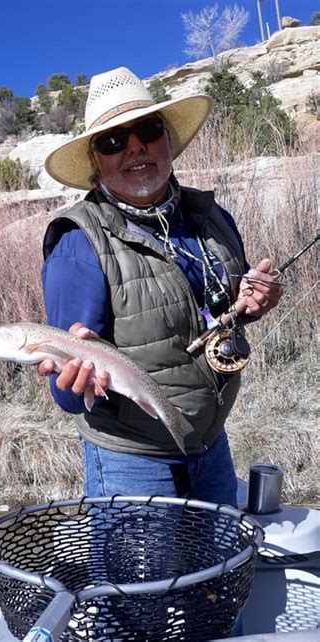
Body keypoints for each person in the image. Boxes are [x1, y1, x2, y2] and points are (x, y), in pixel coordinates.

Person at [38, 67, 283, 508]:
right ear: (96, 163)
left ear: (167, 140)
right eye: (113, 142)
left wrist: (254, 303)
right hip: (131, 460)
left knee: (214, 575)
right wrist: (71, 383)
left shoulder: (212, 218)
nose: (135, 148)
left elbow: (225, 307)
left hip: (210, 444)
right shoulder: (78, 244)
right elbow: (66, 393)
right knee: (144, 580)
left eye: (148, 130)